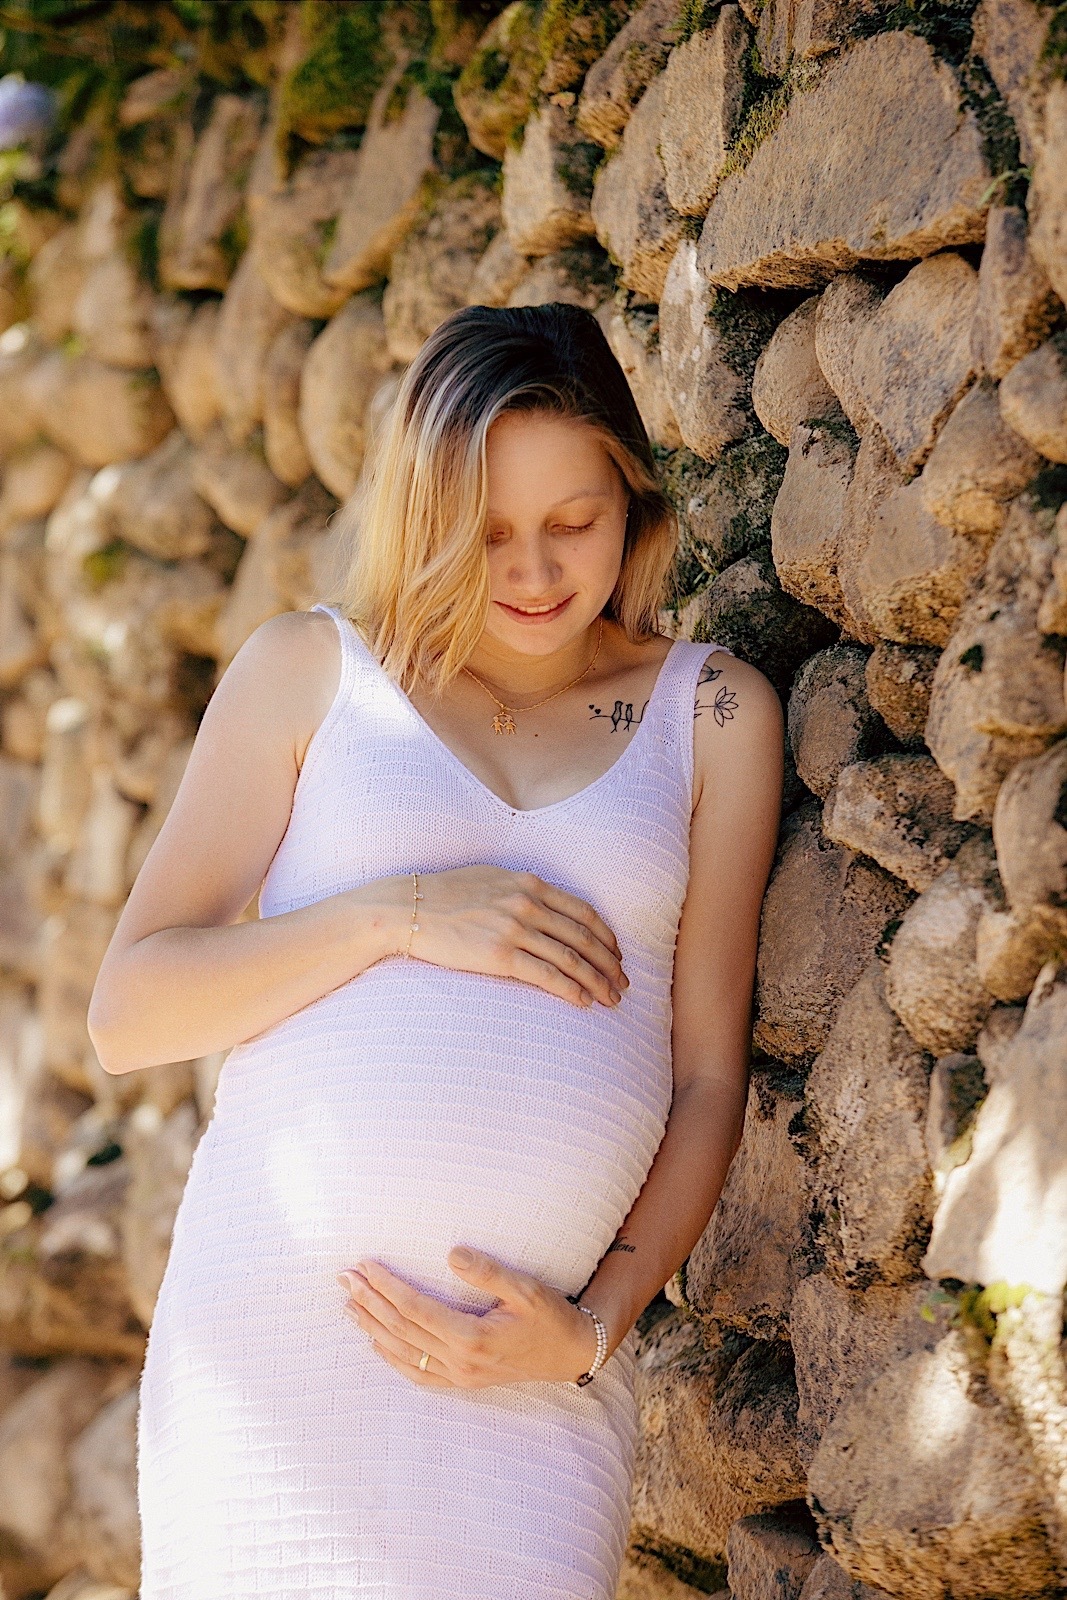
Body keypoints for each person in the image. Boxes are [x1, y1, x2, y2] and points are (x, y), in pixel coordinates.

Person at [87, 300, 784, 1600]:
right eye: (487, 530)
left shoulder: (715, 710)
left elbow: (705, 1082)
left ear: (633, 503)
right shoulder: (312, 673)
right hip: (277, 1361)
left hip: (528, 1391)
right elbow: (129, 1011)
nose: (530, 569)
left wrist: (586, 1338)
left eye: (571, 522)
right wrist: (400, 914)